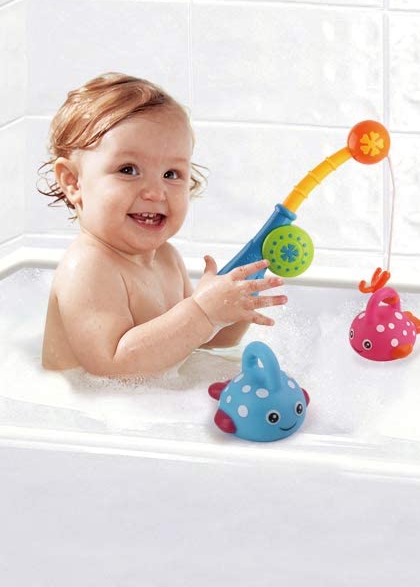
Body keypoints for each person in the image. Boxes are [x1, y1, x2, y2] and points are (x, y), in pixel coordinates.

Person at [38, 73, 287, 377]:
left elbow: (197, 338)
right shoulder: (88, 266)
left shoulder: (167, 258)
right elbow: (111, 365)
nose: (156, 192)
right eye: (128, 170)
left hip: (147, 400)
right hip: (81, 402)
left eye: (171, 174)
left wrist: (231, 306)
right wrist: (202, 311)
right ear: (73, 182)